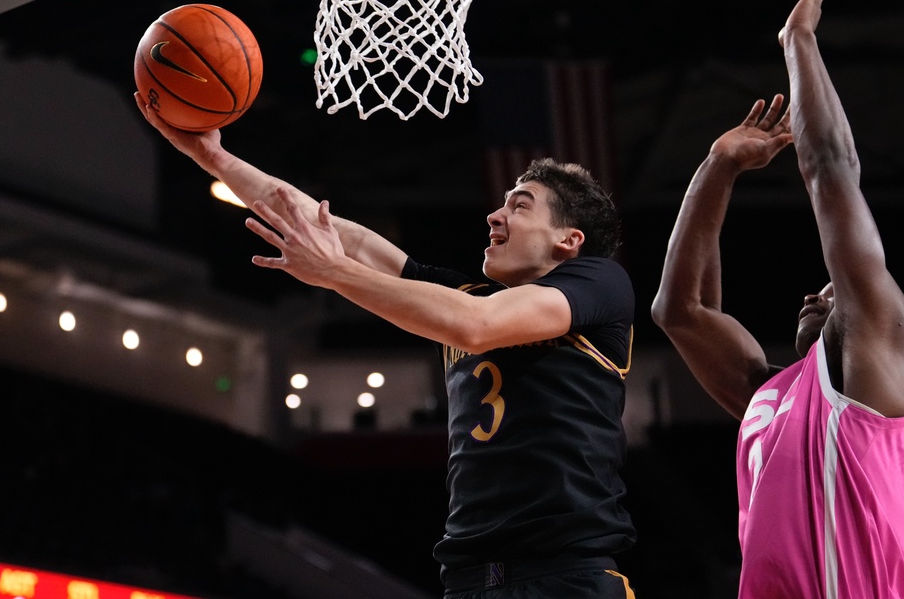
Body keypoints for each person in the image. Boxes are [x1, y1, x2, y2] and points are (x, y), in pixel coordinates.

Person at [134, 94, 638, 599]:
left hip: (566, 578)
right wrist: (213, 157)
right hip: (470, 579)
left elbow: (477, 326)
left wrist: (335, 272)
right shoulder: (463, 297)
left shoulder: (600, 284)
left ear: (568, 241)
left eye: (519, 206)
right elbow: (334, 233)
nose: (494, 215)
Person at [650, 0, 904, 598]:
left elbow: (831, 168)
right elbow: (682, 310)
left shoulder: (882, 373)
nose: (817, 292)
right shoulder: (772, 398)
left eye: (834, 294)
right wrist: (718, 165)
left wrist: (799, 40)